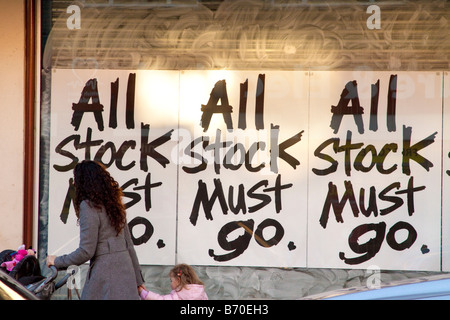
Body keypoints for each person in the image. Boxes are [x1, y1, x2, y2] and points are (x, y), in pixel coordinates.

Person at [46, 160, 144, 300]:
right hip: (126, 273)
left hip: (104, 276)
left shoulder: (89, 206)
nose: (74, 184)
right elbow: (129, 245)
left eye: (76, 180)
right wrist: (139, 281)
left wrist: (57, 261)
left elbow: (86, 251)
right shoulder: (114, 204)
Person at [139, 264, 208, 300]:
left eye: (171, 280)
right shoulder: (201, 293)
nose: (170, 284)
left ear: (178, 280)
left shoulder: (177, 296)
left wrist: (143, 293)